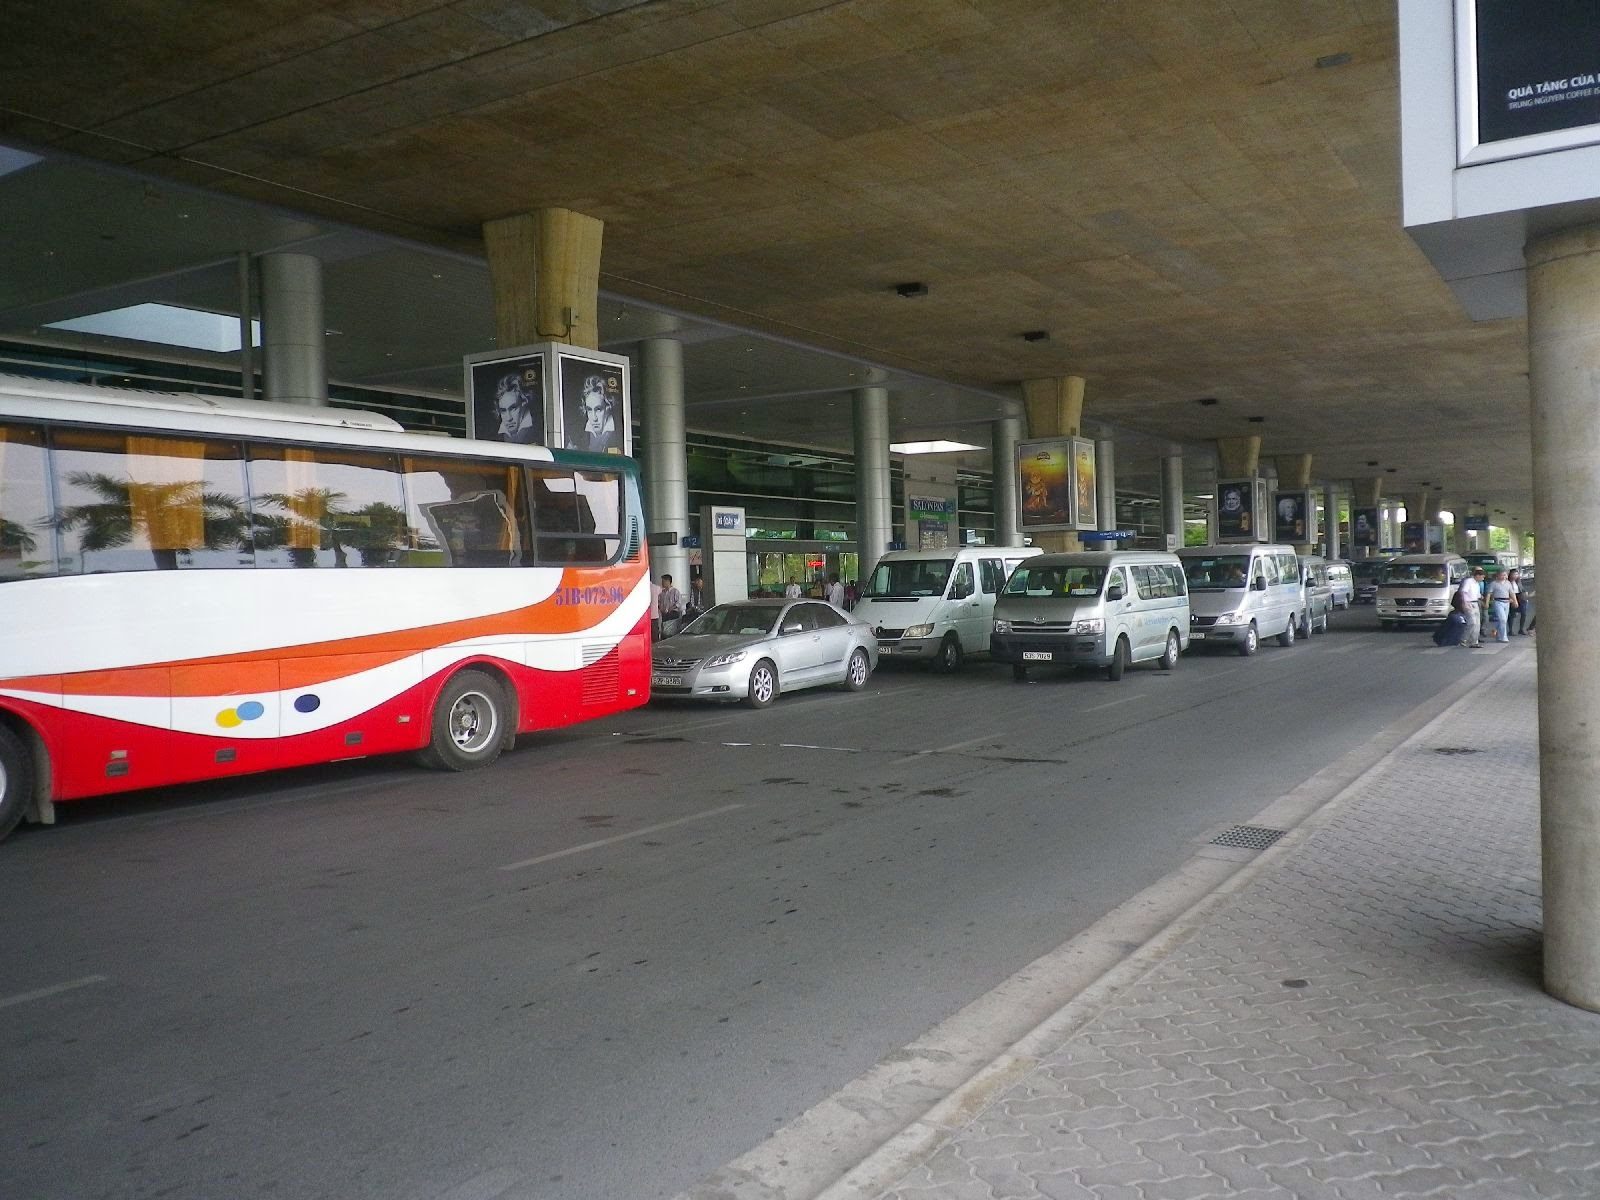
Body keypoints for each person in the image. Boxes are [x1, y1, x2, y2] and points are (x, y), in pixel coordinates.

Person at [576, 375, 619, 453]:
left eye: (598, 409)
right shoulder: (578, 437)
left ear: (608, 407)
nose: (594, 418)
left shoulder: (619, 431)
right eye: (589, 410)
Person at [495, 373, 540, 444]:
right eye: (503, 411)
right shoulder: (496, 436)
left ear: (524, 403)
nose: (509, 418)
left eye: (513, 408)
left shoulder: (539, 430)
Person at [1457, 567, 1484, 648]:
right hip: (1469, 603)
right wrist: (1465, 603)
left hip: (1475, 603)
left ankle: (1474, 641)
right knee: (1472, 622)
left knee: (1477, 624)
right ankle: (1463, 639)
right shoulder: (1469, 581)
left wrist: (1481, 598)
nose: (1483, 578)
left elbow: (1477, 594)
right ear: (1477, 576)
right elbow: (1463, 592)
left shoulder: (1477, 584)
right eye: (1482, 576)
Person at [1486, 569, 1514, 643]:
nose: (1504, 576)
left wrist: (1515, 601)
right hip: (1498, 602)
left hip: (1507, 602)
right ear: (1497, 575)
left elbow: (1512, 593)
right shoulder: (1494, 583)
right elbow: (1489, 594)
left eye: (1505, 575)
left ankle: (1497, 633)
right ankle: (1503, 637)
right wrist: (1487, 603)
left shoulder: (1508, 583)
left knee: (1503, 620)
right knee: (1503, 619)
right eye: (1502, 575)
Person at [1507, 568, 1527, 636]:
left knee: (1524, 613)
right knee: (1512, 614)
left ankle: (1521, 629)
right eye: (1514, 574)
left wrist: (1525, 594)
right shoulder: (1508, 582)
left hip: (1520, 597)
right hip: (1512, 597)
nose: (1515, 576)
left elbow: (1522, 589)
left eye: (1516, 574)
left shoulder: (1518, 581)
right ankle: (1510, 630)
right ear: (1510, 574)